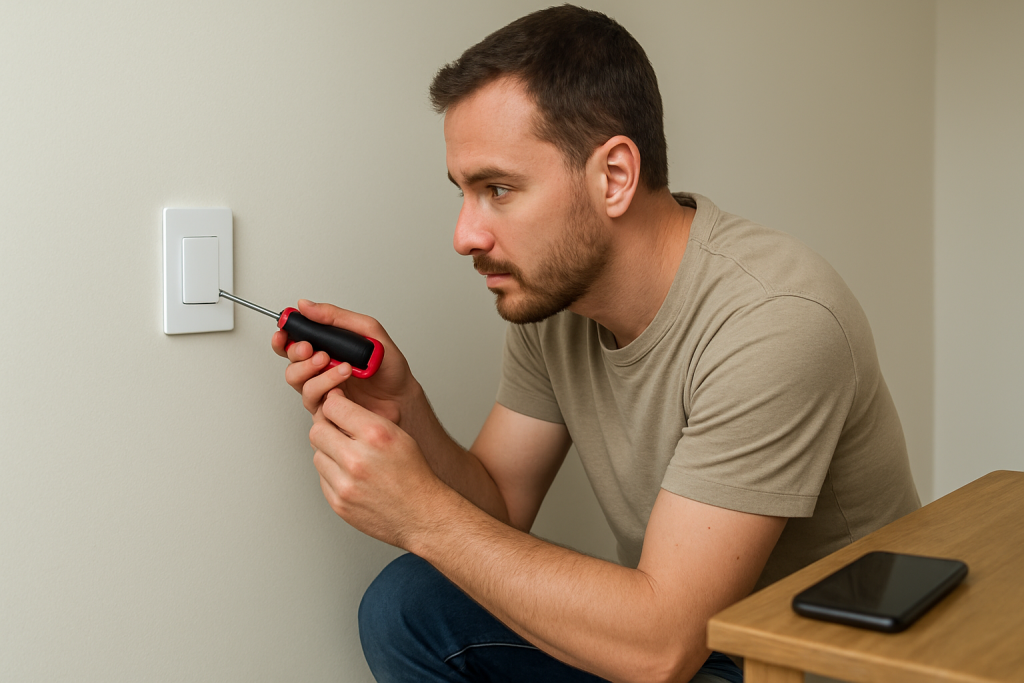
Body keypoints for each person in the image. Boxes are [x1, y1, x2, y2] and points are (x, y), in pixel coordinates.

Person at [272, 5, 920, 682]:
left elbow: (663, 647)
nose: (465, 235)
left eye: (498, 188)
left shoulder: (775, 319)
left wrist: (421, 518)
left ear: (613, 175)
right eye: (464, 193)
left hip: (810, 666)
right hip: (692, 646)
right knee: (407, 604)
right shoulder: (553, 298)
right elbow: (498, 504)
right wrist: (405, 405)